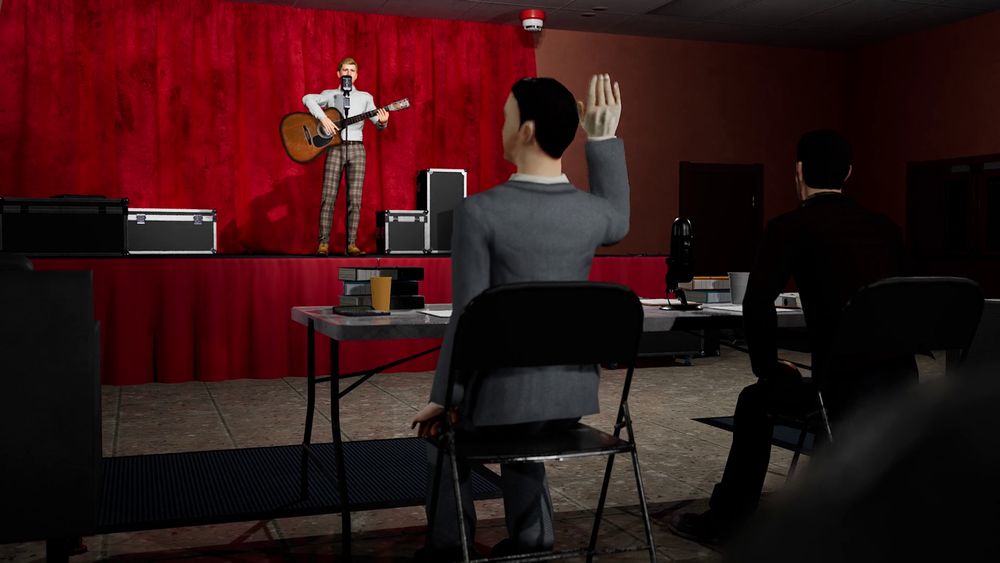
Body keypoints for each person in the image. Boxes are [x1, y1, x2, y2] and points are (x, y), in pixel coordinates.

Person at [410, 74, 628, 561]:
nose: (501, 125)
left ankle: (450, 545)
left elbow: (467, 319)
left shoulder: (478, 211)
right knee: (521, 431)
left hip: (503, 401)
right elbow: (621, 216)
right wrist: (604, 140)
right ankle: (533, 537)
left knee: (445, 434)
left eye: (506, 116)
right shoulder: (594, 215)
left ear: (526, 131)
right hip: (570, 399)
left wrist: (445, 398)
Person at [669, 130, 911, 544]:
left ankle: (728, 521)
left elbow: (756, 303)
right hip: (900, 386)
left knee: (754, 401)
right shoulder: (885, 229)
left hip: (837, 391)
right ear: (849, 173)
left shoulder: (791, 226)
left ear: (798, 171)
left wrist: (767, 366)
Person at [302, 57, 389, 256]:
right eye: (345, 70)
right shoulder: (330, 94)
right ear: (338, 74)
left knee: (355, 199)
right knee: (328, 196)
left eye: (352, 70)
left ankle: (351, 244)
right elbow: (307, 98)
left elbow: (377, 123)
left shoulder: (366, 97)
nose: (348, 73)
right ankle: (323, 243)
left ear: (357, 75)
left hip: (357, 148)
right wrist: (323, 118)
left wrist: (383, 122)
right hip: (335, 147)